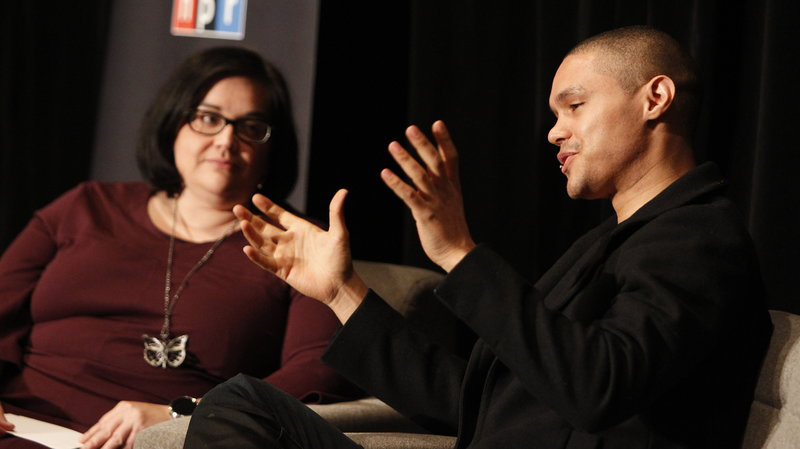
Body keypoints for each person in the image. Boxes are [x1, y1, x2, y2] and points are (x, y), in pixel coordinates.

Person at [183, 26, 773, 449]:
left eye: (574, 106)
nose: (554, 133)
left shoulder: (699, 237)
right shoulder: (609, 242)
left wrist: (458, 253)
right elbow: (470, 399)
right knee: (241, 405)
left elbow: (599, 387)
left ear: (656, 98)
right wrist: (341, 292)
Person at [0, 46, 358, 449]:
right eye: (208, 118)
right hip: (18, 424)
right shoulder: (86, 206)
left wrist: (186, 413)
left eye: (251, 127)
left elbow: (318, 372)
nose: (226, 140)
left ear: (271, 149)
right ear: (174, 123)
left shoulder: (295, 243)